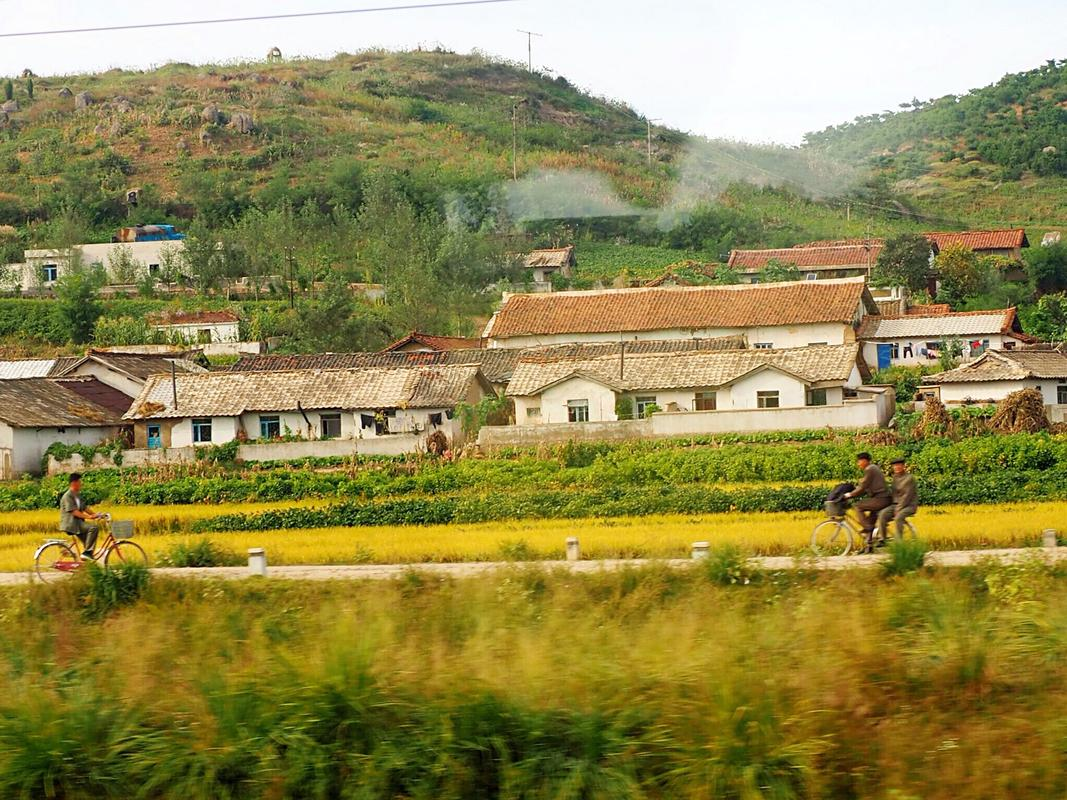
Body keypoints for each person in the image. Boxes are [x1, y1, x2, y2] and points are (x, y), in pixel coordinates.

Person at [843, 452, 891, 544]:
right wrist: (855, 491)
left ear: (864, 461)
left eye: (859, 461)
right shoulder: (872, 468)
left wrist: (849, 495)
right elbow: (864, 487)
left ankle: (867, 528)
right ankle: (868, 546)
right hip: (881, 498)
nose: (858, 464)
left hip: (881, 499)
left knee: (857, 506)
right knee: (870, 520)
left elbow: (863, 486)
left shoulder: (870, 469)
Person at [59, 473, 103, 561]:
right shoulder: (68, 496)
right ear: (73, 483)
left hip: (78, 523)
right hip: (72, 524)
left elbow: (85, 508)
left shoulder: (77, 495)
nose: (81, 483)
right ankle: (86, 553)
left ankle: (86, 564)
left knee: (90, 544)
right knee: (94, 527)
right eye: (79, 481)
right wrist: (89, 517)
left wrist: (96, 514)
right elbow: (74, 512)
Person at [875, 458, 919, 544]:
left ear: (903, 466)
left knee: (899, 517)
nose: (897, 467)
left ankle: (899, 542)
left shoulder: (909, 478)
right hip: (896, 505)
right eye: (895, 466)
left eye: (899, 465)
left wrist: (898, 508)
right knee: (882, 514)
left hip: (909, 505)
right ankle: (882, 539)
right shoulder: (895, 477)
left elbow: (907, 496)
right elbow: (894, 494)